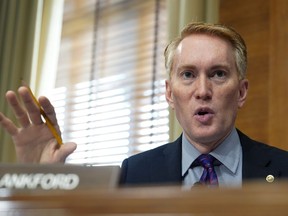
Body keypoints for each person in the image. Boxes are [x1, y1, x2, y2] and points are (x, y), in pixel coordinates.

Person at [0, 22, 287, 188]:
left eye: (218, 74)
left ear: (241, 92)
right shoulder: (132, 174)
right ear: (169, 93)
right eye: (187, 74)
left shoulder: (284, 170)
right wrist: (40, 182)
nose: (202, 90)